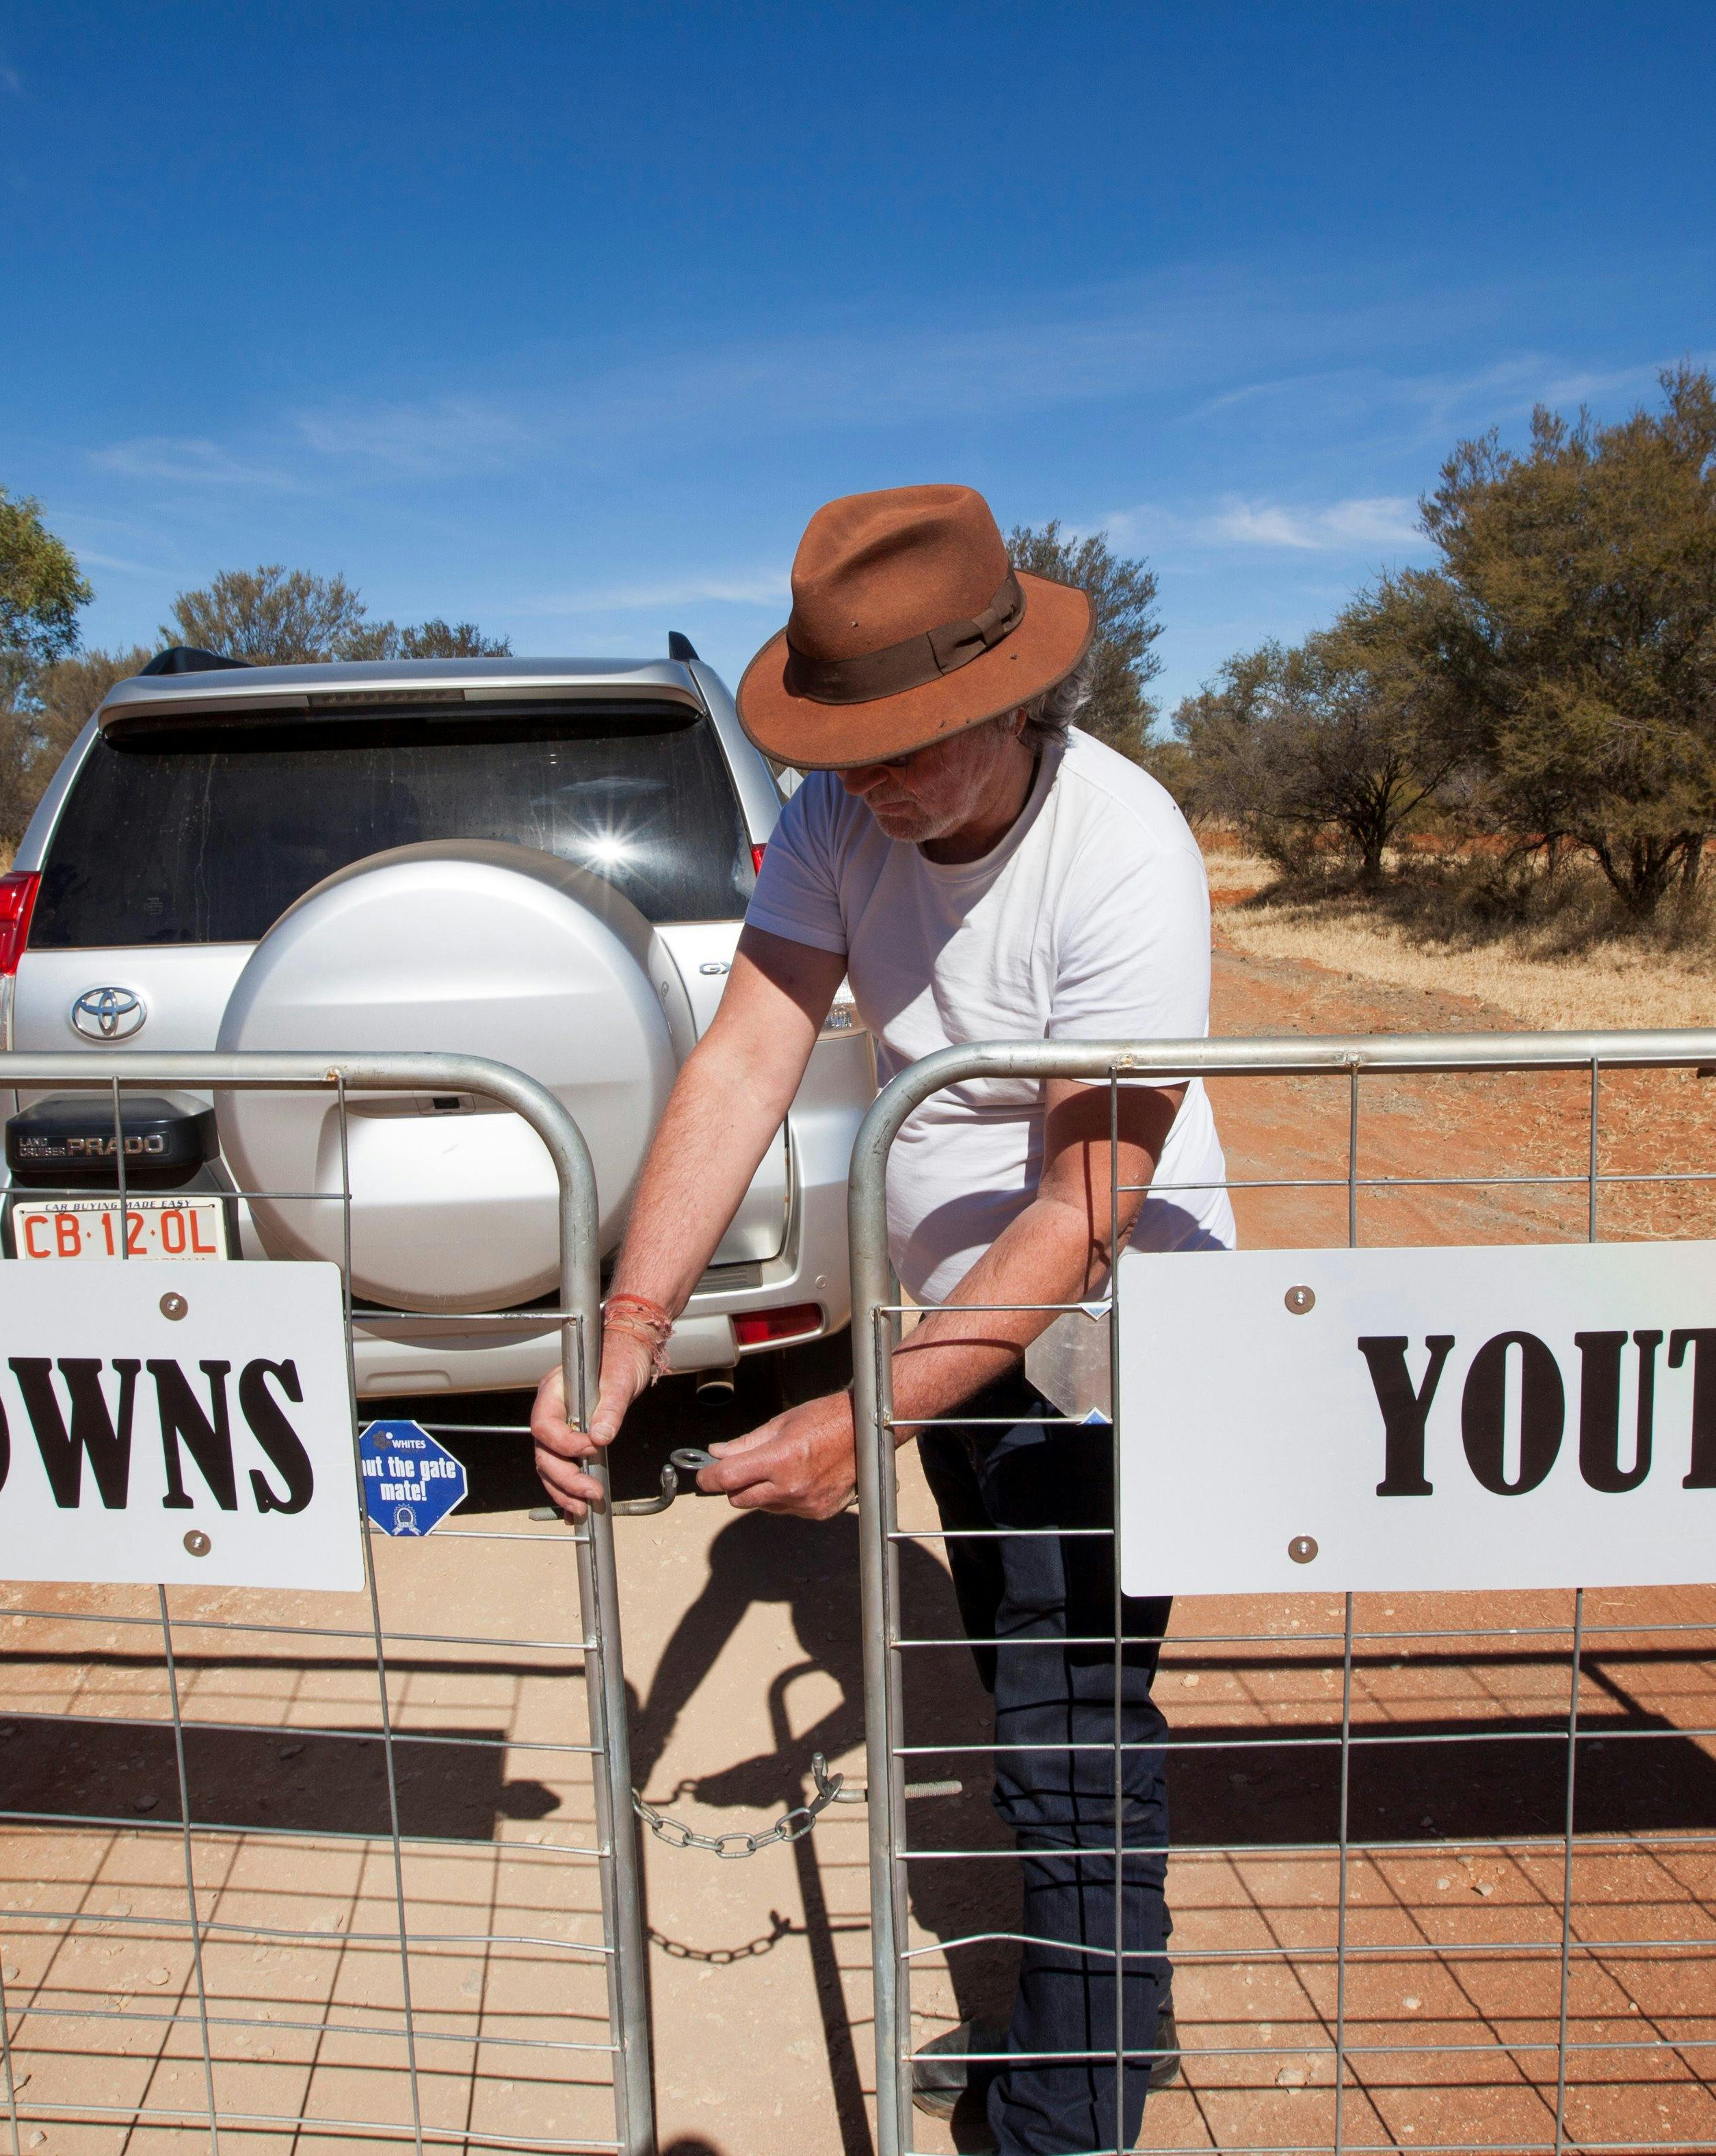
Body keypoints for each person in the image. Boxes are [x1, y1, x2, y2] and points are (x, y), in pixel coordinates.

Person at [530, 482, 1230, 2153]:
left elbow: (1088, 1199)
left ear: (1013, 700)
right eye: (858, 748)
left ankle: (1062, 2115)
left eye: (918, 743)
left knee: (1072, 1726)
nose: (884, 782)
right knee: (1028, 1687)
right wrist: (632, 1317)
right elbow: (746, 1051)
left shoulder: (1121, 847)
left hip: (1120, 1333)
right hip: (958, 1322)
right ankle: (1094, 2026)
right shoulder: (845, 814)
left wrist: (871, 1408)